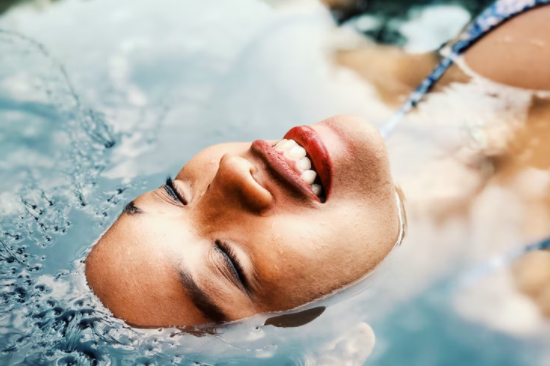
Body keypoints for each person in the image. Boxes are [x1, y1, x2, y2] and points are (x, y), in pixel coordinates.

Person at [86, 0, 550, 327]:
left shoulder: (302, 61)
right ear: (339, 351)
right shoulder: (529, 303)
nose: (230, 169)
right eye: (227, 262)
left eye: (174, 193)